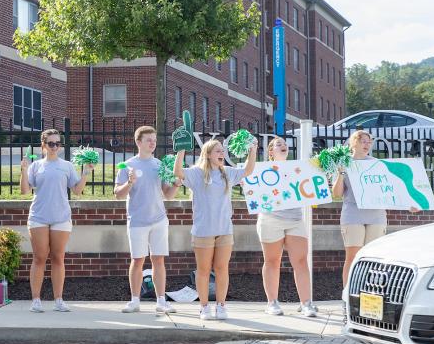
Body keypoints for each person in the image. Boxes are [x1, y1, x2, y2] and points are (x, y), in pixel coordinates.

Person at [174, 136, 257, 320]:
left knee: (222, 269)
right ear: (208, 154)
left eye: (222, 150)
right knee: (203, 270)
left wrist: (253, 150)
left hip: (225, 230)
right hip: (203, 231)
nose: (222, 153)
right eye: (218, 150)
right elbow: (178, 172)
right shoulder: (196, 173)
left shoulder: (227, 172)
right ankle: (204, 307)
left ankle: (221, 306)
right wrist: (181, 151)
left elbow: (248, 170)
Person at [332, 129, 420, 288]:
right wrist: (340, 174)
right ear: (354, 143)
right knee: (352, 257)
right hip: (353, 215)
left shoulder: (377, 164)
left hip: (376, 216)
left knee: (373, 257)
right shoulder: (344, 164)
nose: (367, 144)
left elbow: (393, 188)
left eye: (369, 141)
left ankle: (368, 292)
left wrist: (409, 205)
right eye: (362, 141)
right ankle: (347, 293)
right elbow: (337, 194)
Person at [19, 128, 93, 312]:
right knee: (39, 258)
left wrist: (85, 173)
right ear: (43, 145)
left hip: (61, 217)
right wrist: (23, 170)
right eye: (50, 143)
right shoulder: (36, 166)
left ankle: (58, 300)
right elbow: (25, 191)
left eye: (57, 143)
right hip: (39, 216)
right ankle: (36, 300)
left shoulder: (66, 165)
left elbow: (76, 190)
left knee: (58, 258)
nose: (54, 147)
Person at [114, 126, 181, 314]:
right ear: (138, 142)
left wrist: (176, 184)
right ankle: (135, 301)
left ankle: (161, 301)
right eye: (148, 140)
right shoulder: (127, 165)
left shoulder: (160, 165)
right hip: (137, 221)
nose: (152, 143)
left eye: (154, 140)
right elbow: (118, 195)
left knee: (158, 260)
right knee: (137, 261)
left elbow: (168, 195)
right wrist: (130, 182)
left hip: (159, 220)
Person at [257, 137, 318, 318]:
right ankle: (272, 302)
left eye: (284, 144)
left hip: (295, 220)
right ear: (270, 151)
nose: (283, 146)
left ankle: (306, 303)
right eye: (278, 144)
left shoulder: (298, 167)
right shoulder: (261, 170)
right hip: (270, 220)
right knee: (272, 261)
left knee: (300, 261)